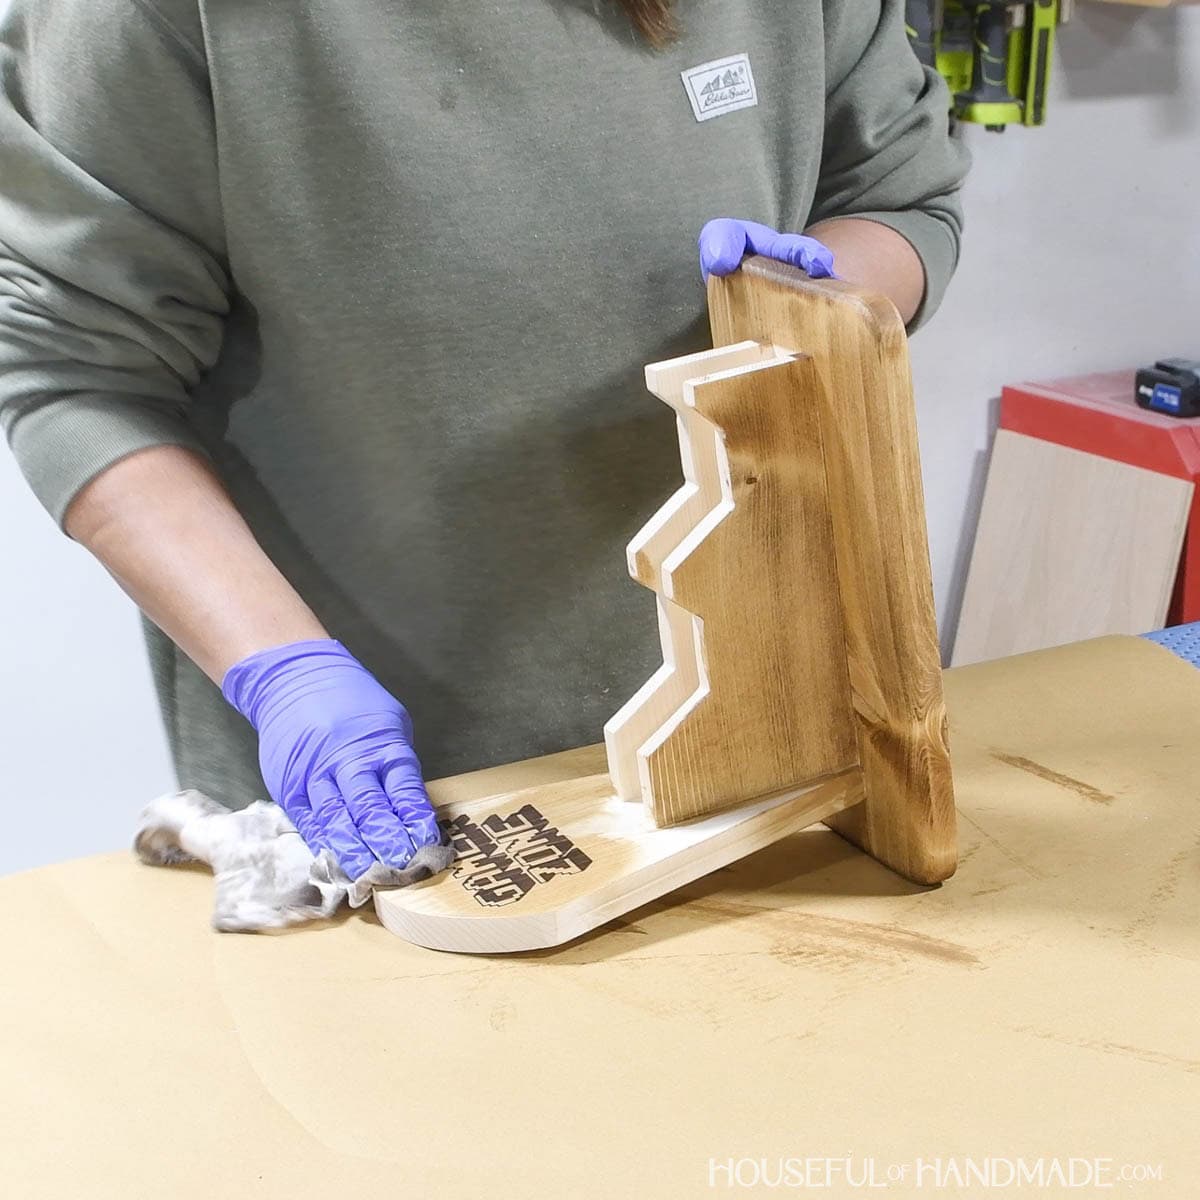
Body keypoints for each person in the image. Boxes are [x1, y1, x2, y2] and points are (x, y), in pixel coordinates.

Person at [0, 0, 968, 882]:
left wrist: (814, 291)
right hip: (389, 787)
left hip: (774, 738)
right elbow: (76, 373)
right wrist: (285, 672)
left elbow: (900, 199)